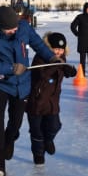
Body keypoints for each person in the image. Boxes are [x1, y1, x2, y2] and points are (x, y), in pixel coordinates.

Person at [0, 6, 62, 176]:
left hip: (22, 84)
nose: (15, 31)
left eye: (16, 27)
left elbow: (38, 43)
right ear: (0, 27)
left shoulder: (22, 27)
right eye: (10, 29)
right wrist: (11, 68)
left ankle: (9, 139)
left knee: (16, 122)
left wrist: (51, 58)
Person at [26, 32, 76, 165]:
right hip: (36, 102)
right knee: (37, 133)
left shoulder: (61, 59)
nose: (59, 52)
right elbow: (41, 78)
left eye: (61, 49)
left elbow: (63, 71)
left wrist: (70, 71)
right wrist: (55, 65)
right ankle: (38, 158)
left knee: (55, 126)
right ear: (49, 48)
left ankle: (48, 140)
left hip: (52, 103)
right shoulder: (40, 59)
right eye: (56, 49)